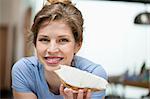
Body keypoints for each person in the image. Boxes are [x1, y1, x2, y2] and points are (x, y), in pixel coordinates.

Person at [11, 0, 108, 99]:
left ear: (78, 45)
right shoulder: (24, 70)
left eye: (63, 40)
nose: (52, 50)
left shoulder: (94, 76)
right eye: (44, 39)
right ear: (35, 43)